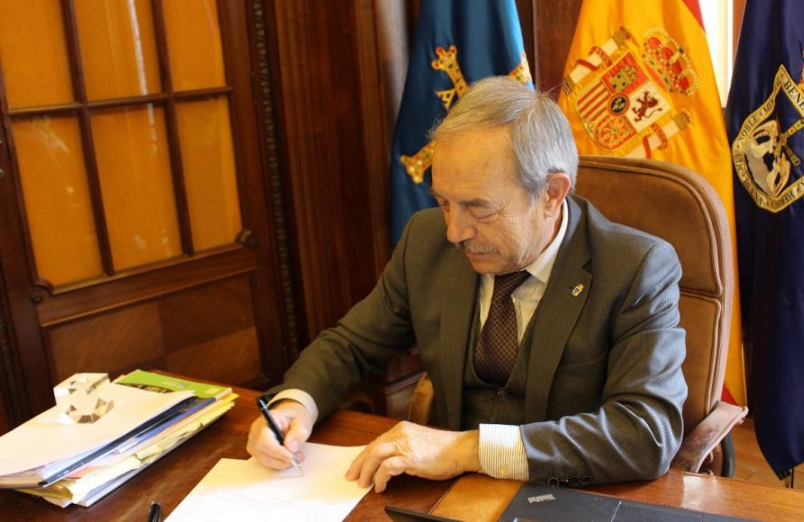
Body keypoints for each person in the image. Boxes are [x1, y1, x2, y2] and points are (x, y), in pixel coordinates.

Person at [246, 76, 687, 493]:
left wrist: (467, 449)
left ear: (551, 193)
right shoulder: (426, 241)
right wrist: (295, 405)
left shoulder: (635, 268)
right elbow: (351, 345)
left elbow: (646, 432)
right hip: (444, 495)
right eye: (443, 203)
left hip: (565, 497)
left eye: (479, 208)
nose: (455, 231)